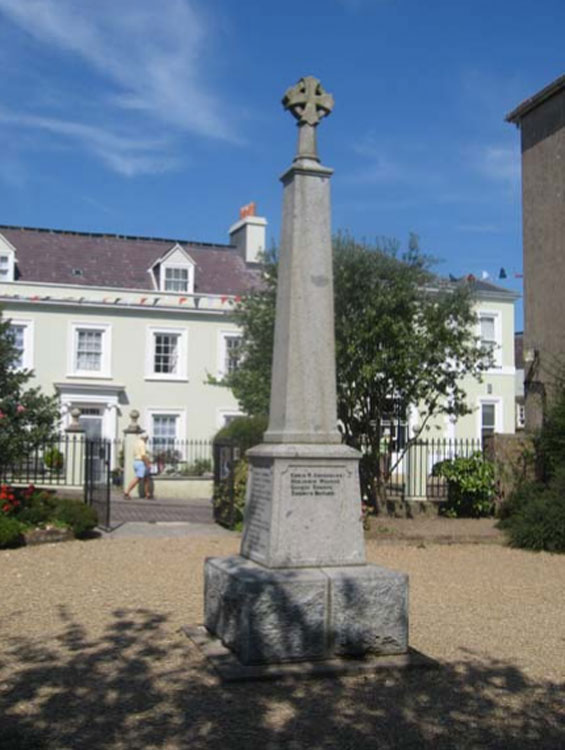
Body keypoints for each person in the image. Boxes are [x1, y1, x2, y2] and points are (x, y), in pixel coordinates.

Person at [124, 432, 153, 499]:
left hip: (136, 462)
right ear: (145, 438)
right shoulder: (142, 444)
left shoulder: (136, 442)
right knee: (138, 478)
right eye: (147, 439)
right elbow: (143, 455)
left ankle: (147, 494)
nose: (147, 440)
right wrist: (147, 464)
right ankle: (127, 491)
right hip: (141, 462)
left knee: (146, 478)